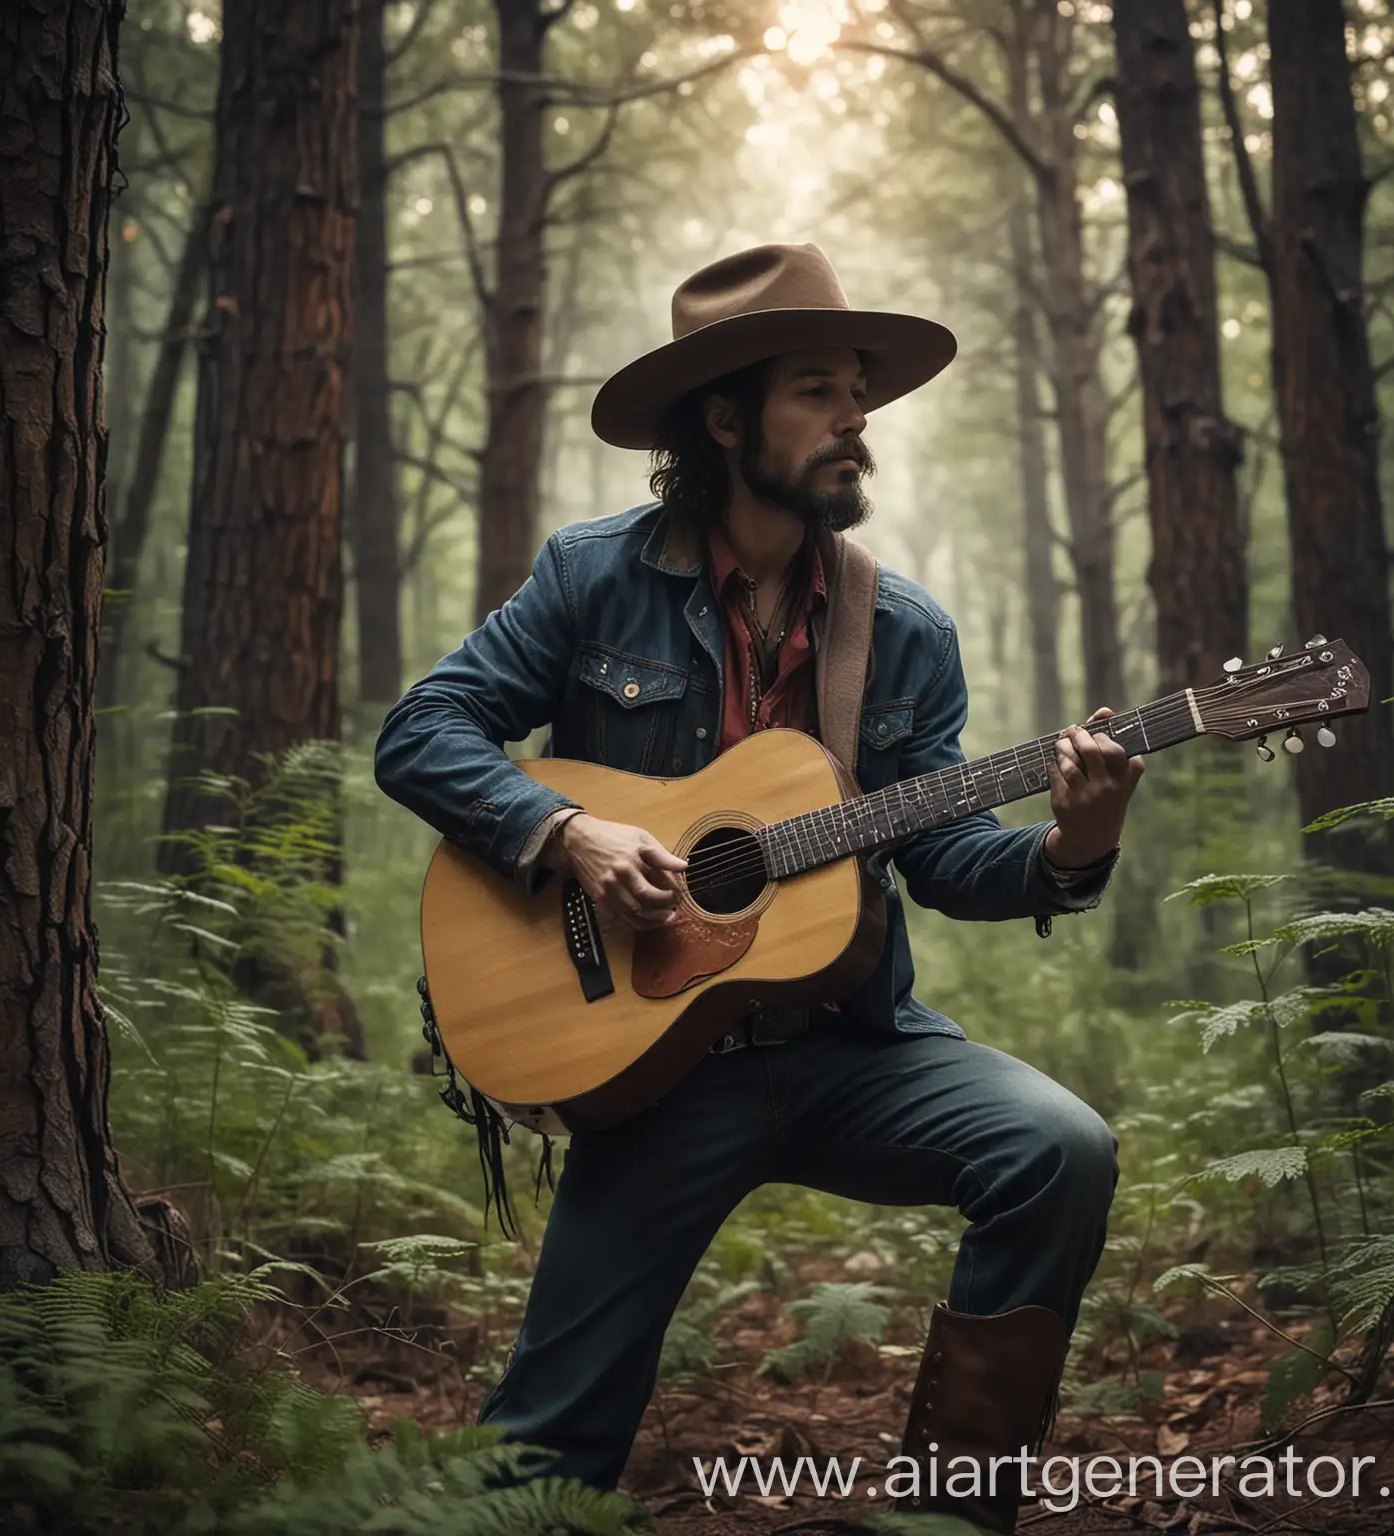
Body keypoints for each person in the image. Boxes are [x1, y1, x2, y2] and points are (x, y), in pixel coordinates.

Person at [373, 242, 1144, 1531]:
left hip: (852, 1043)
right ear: (724, 420)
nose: (856, 421)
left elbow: (945, 860)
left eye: (860, 394)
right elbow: (423, 732)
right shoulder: (593, 577)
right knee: (543, 1454)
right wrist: (568, 835)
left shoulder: (902, 631)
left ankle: (951, 1513)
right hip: (655, 1067)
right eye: (817, 392)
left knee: (1058, 1148)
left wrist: (1073, 845)